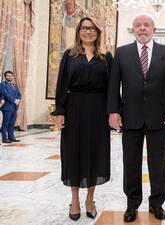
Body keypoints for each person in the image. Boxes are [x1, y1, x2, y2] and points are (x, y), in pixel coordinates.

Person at [107, 14, 165, 222]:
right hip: (130, 117)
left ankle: (156, 204)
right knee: (131, 163)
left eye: (146, 25)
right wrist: (113, 111)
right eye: (138, 25)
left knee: (158, 164)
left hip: (159, 118)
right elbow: (114, 85)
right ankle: (132, 205)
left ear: (153, 29)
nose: (142, 28)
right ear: (133, 29)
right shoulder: (122, 53)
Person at [53, 17, 113, 221]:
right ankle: (75, 200)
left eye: (92, 28)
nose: (88, 31)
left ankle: (90, 199)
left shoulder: (106, 57)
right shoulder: (69, 56)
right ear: (78, 31)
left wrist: (114, 112)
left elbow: (112, 89)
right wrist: (60, 112)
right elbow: (61, 85)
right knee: (73, 154)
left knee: (95, 154)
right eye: (84, 28)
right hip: (74, 109)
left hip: (98, 111)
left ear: (98, 32)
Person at [1, 71, 21, 143]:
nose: (10, 77)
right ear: (5, 76)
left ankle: (11, 137)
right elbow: (5, 94)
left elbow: (19, 94)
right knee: (5, 123)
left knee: (12, 123)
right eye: (8, 75)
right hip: (7, 107)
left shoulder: (15, 85)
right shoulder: (2, 85)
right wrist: (14, 100)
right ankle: (4, 138)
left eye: (11, 75)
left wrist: (18, 99)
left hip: (14, 107)